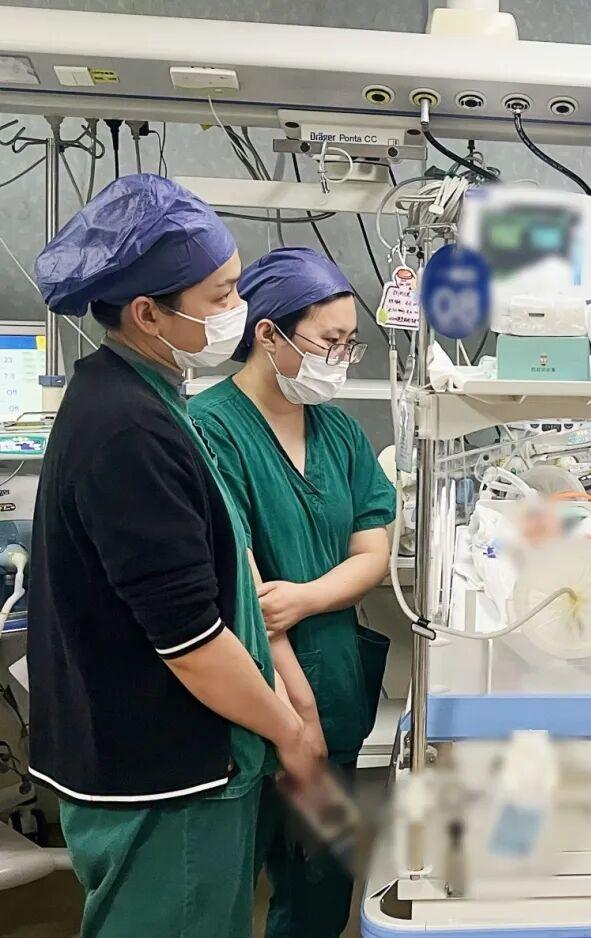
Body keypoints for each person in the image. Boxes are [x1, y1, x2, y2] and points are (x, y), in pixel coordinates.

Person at [28, 175, 320, 938]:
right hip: (164, 781)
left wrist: (287, 690)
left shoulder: (147, 393)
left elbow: (221, 550)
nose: (238, 309)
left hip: (179, 762)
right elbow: (190, 643)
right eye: (221, 295)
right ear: (148, 312)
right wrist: (288, 733)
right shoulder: (127, 430)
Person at [190, 246, 396, 938]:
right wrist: (295, 716)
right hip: (255, 702)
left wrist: (306, 598)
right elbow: (246, 591)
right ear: (268, 333)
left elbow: (373, 552)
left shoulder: (339, 432)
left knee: (324, 882)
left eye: (350, 343)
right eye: (329, 342)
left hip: (334, 696)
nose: (341, 359)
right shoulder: (211, 428)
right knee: (226, 884)